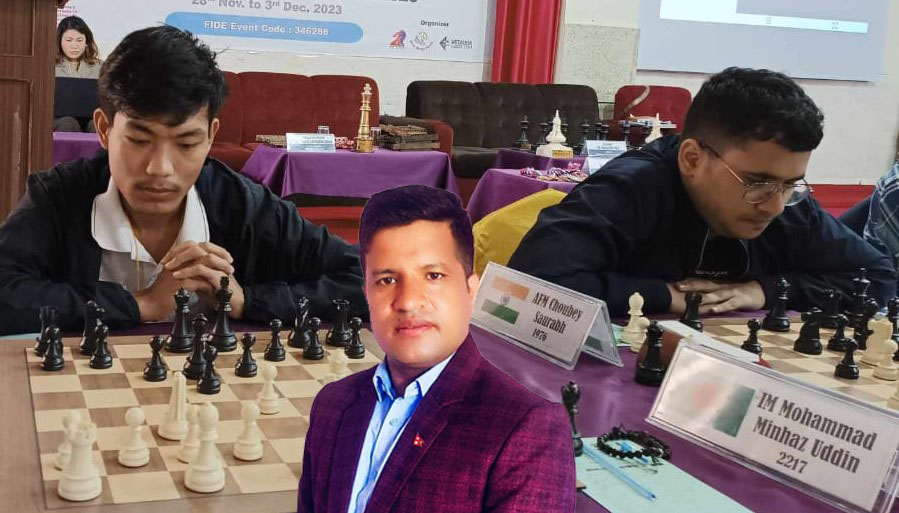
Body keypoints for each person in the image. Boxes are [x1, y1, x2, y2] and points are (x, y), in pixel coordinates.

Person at [0, 25, 366, 335]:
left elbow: (369, 279)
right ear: (104, 129)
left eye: (186, 143)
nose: (160, 168)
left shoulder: (243, 205)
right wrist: (140, 304)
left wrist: (246, 301)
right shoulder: (59, 197)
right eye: (139, 140)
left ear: (210, 136)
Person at [508, 67, 894, 317]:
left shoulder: (789, 205)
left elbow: (877, 277)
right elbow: (527, 285)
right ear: (692, 159)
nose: (775, 206)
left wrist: (765, 291)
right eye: (757, 183)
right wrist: (664, 295)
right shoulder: (629, 190)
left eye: (791, 184)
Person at [297, 185, 575, 513]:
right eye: (387, 280)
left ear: (471, 291)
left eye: (433, 275)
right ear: (367, 293)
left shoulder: (529, 429)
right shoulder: (333, 404)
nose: (408, 301)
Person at [54, 15, 101, 132]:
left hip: (91, 117)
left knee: (96, 125)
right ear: (59, 41)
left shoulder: (100, 67)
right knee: (68, 123)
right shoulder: (49, 66)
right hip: (59, 119)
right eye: (69, 40)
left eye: (79, 40)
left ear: (86, 41)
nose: (74, 46)